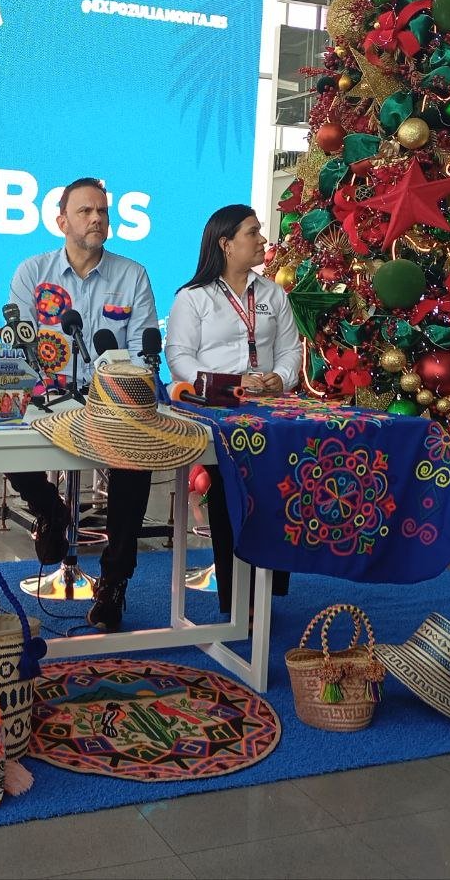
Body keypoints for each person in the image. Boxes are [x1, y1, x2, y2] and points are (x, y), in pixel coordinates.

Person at [7, 176, 159, 632]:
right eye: (85, 211)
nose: (96, 219)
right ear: (62, 222)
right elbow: (19, 346)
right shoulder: (33, 273)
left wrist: (117, 392)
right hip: (47, 398)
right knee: (2, 435)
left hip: (113, 402)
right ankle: (50, 510)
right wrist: (38, 393)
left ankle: (114, 580)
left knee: (136, 458)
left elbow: (142, 351)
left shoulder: (132, 275)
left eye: (102, 212)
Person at [165, 203, 302, 613]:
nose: (262, 239)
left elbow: (290, 350)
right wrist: (229, 384)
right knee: (230, 490)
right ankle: (235, 596)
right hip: (218, 408)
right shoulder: (193, 297)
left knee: (281, 488)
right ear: (226, 244)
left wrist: (280, 377)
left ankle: (267, 591)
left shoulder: (272, 293)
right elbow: (179, 357)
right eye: (252, 232)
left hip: (269, 408)